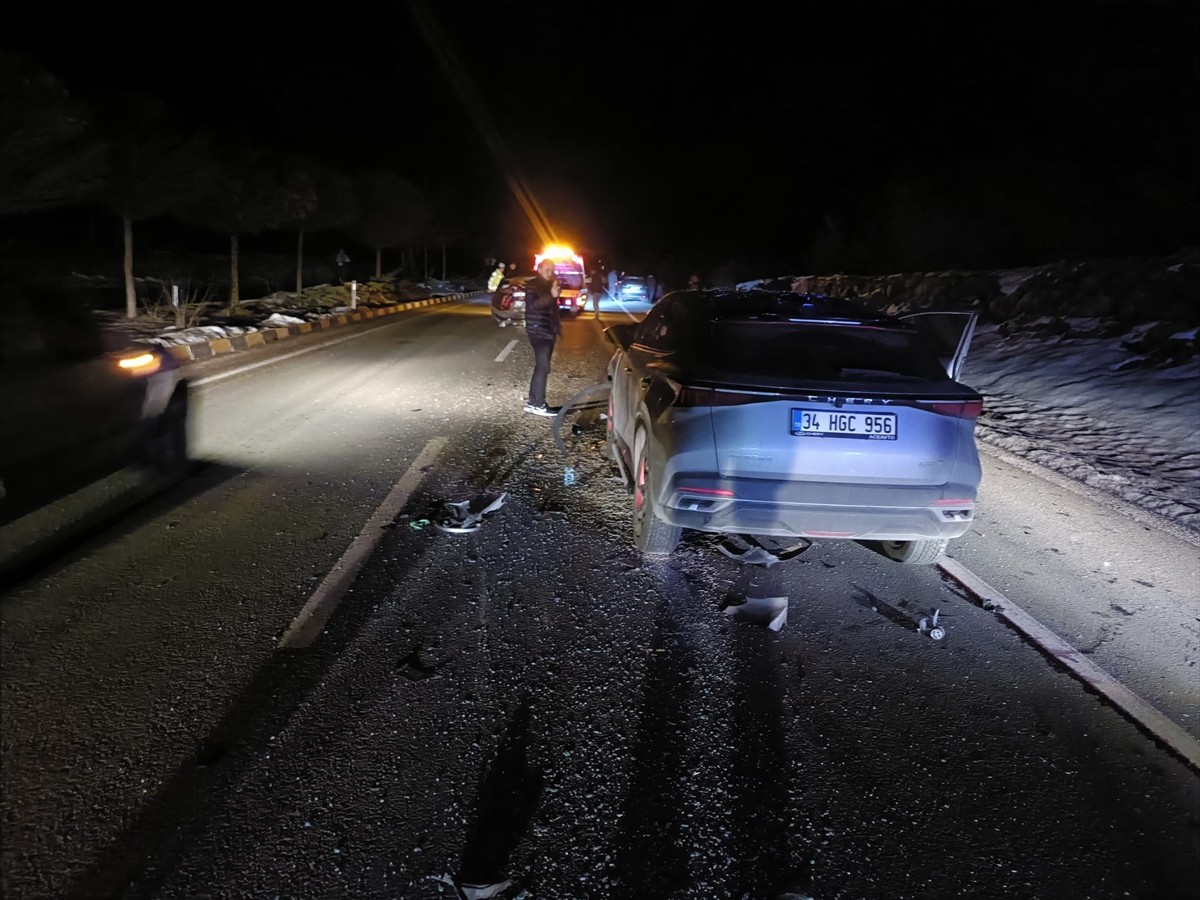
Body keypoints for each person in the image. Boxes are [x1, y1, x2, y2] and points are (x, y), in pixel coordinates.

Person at [523, 257, 562, 417]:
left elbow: (551, 309)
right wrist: (551, 295)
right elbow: (533, 306)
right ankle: (538, 404)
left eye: (552, 270)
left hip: (548, 331)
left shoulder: (549, 284)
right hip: (538, 331)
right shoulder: (533, 285)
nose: (550, 272)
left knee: (541, 367)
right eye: (547, 269)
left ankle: (534, 401)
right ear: (539, 269)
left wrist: (556, 328)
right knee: (543, 367)